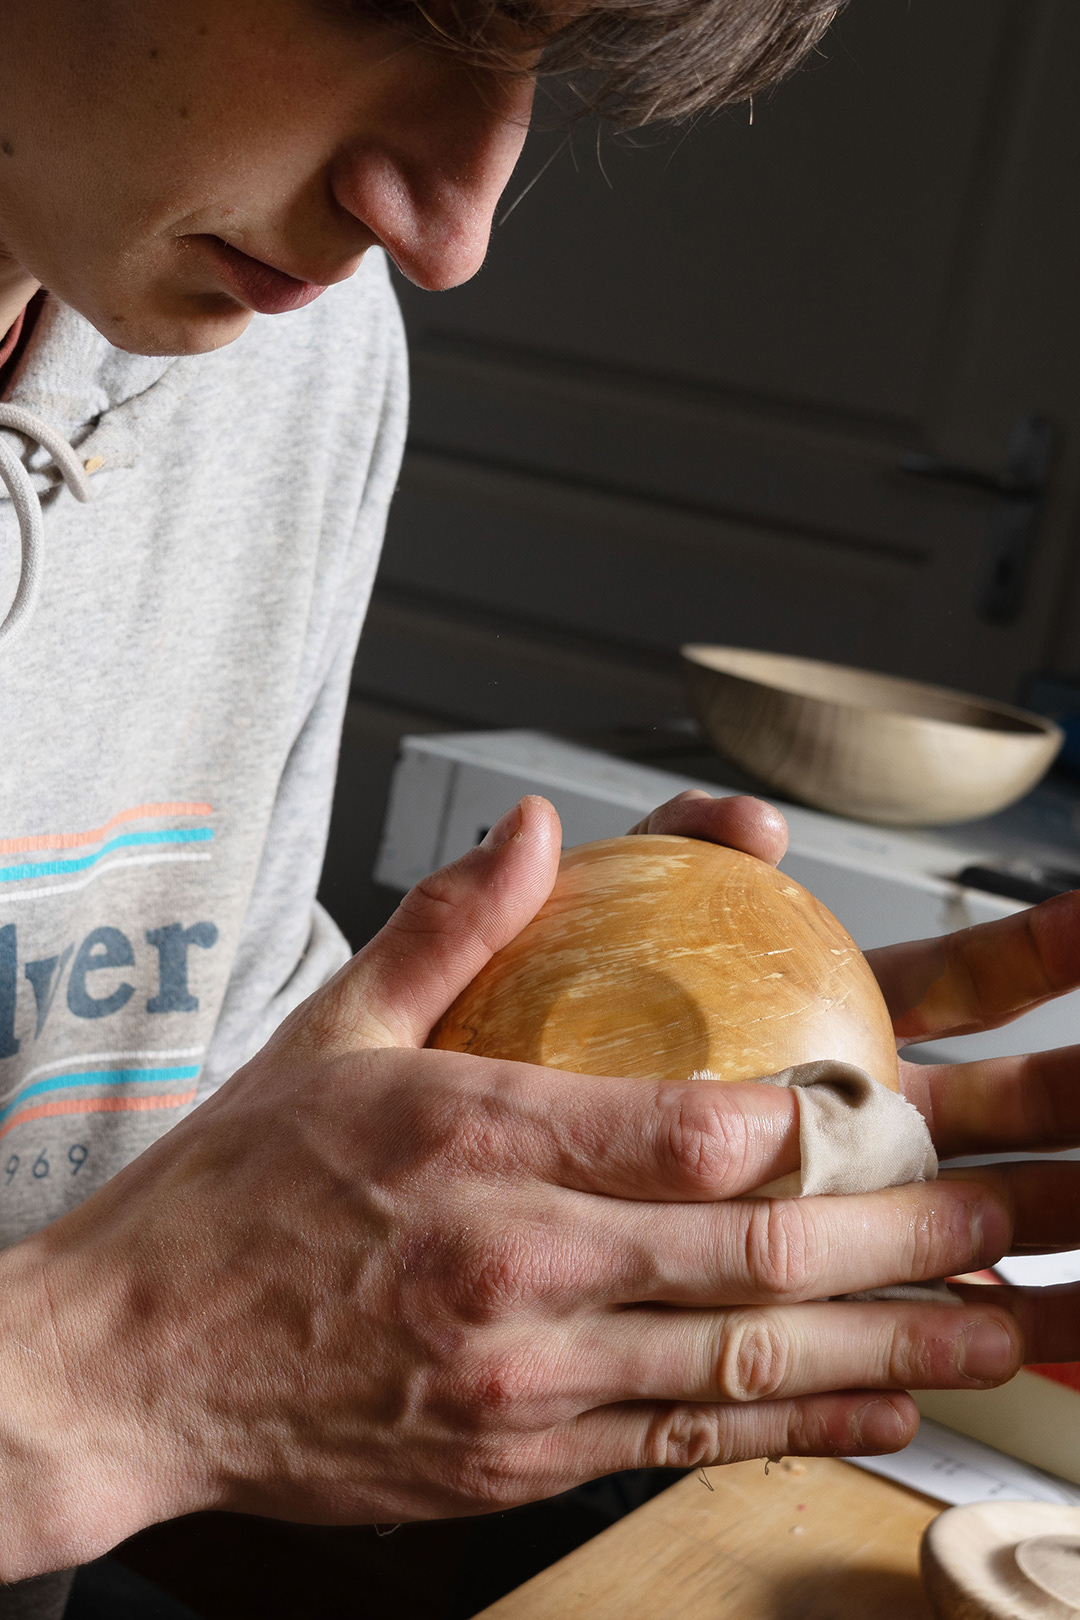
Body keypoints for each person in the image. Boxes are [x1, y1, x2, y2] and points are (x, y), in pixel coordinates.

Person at [0, 0, 1078, 1614]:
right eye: (396, 3)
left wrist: (528, 1092)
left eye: (536, 67)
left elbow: (147, 1117)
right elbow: (132, 1353)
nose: (450, 234)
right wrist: (100, 1383)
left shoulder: (285, 357)